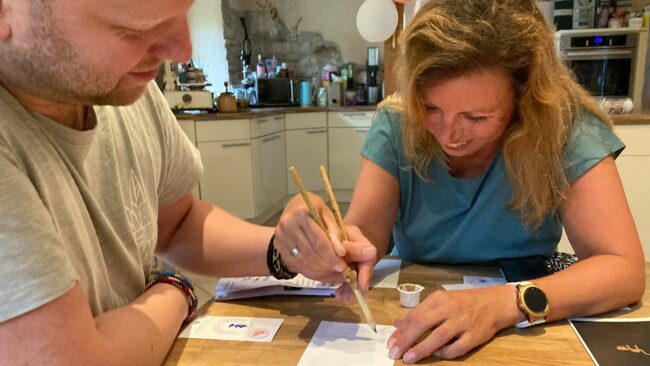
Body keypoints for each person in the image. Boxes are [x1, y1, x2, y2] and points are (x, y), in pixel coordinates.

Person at [0, 1, 376, 364]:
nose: (181, 51)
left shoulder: (127, 92)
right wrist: (176, 289)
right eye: (136, 24)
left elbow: (177, 224)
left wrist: (286, 248)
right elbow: (71, 359)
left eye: (184, 12)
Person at [285, 0, 645, 363]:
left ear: (524, 97)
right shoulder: (396, 123)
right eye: (431, 108)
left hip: (532, 321)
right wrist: (330, 243)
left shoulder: (562, 127)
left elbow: (623, 269)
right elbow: (365, 238)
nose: (450, 136)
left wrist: (504, 304)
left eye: (475, 117)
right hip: (412, 310)